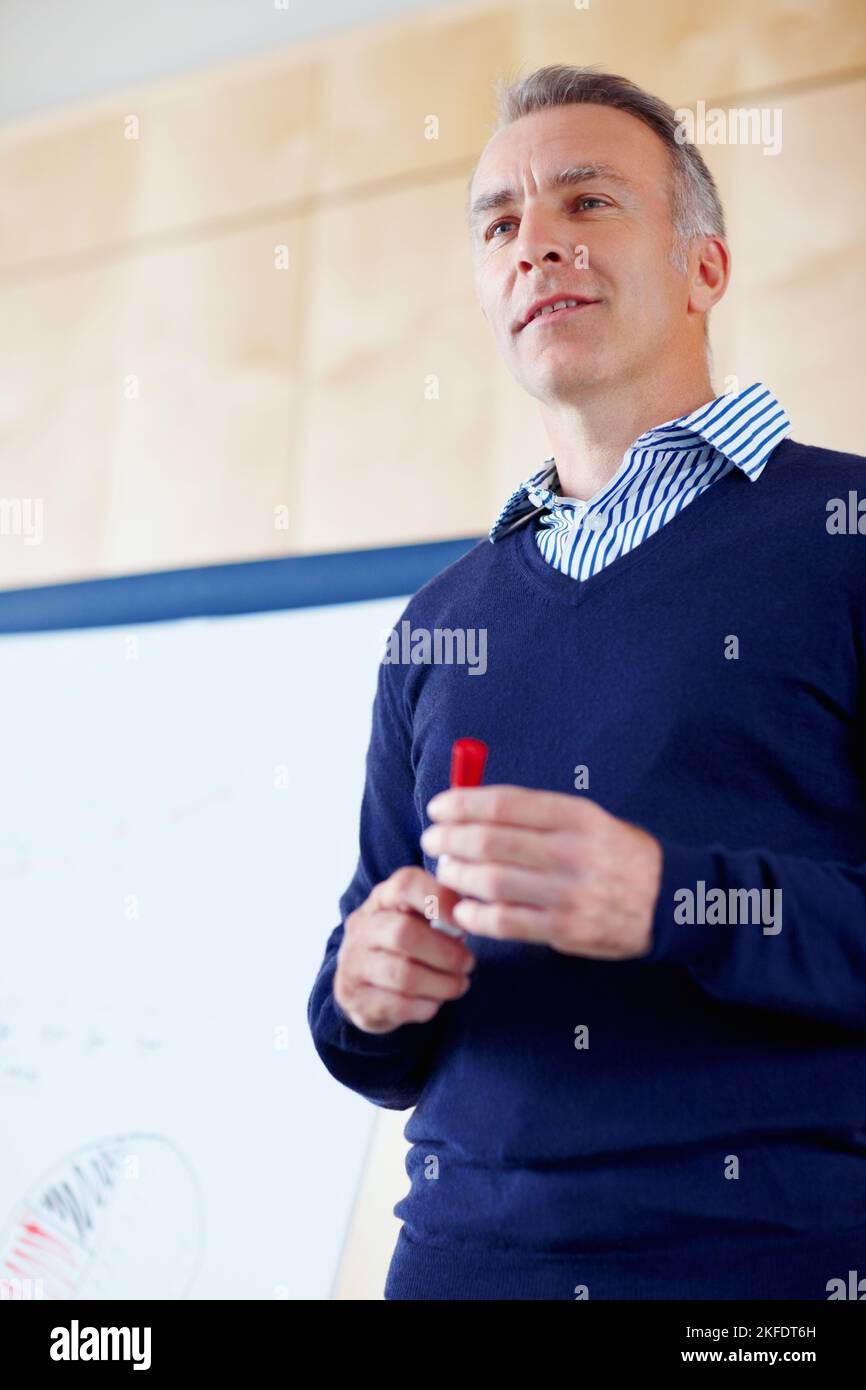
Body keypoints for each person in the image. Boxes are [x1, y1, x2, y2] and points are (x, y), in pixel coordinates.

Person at [307, 65, 866, 1300]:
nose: (534, 244)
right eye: (499, 223)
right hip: (452, 1270)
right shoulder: (433, 625)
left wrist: (676, 900)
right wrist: (362, 986)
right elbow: (369, 1016)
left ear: (702, 269)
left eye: (587, 201)